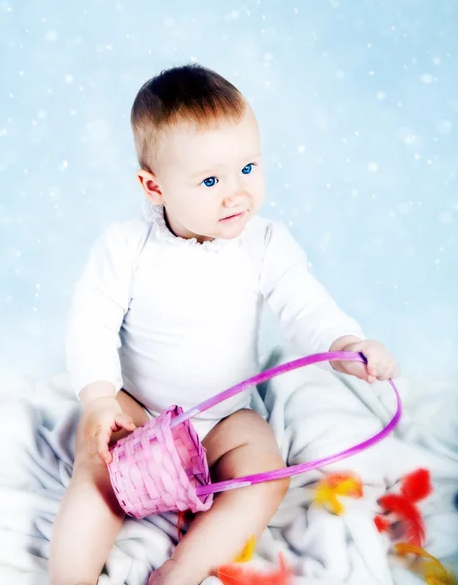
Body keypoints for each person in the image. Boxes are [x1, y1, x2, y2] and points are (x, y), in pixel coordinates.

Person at [49, 64, 400, 585]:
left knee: (264, 474)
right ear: (154, 186)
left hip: (224, 416)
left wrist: (345, 342)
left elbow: (304, 304)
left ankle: (184, 567)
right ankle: (69, 579)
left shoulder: (265, 243)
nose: (236, 193)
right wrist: (101, 401)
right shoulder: (126, 247)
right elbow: (90, 323)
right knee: (98, 473)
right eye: (211, 180)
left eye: (248, 168)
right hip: (138, 409)